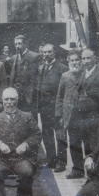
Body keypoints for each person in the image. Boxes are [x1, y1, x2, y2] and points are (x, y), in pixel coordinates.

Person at [67, 48, 99, 178]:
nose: (86, 61)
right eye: (83, 58)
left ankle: (92, 172)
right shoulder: (82, 72)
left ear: (95, 58)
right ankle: (77, 169)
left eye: (88, 58)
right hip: (78, 115)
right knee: (75, 142)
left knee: (91, 144)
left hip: (92, 115)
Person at [33, 43, 68, 172]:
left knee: (60, 134)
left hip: (56, 107)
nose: (46, 55)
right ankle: (51, 160)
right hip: (44, 108)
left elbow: (64, 91)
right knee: (47, 134)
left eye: (49, 52)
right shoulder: (41, 67)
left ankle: (61, 162)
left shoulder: (62, 68)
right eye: (44, 52)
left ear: (54, 53)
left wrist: (61, 109)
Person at [55, 51, 83, 175]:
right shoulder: (65, 76)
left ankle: (83, 169)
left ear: (80, 61)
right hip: (69, 114)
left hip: (82, 113)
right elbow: (60, 96)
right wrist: (59, 114)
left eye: (77, 60)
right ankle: (69, 166)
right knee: (68, 140)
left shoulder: (85, 74)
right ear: (68, 62)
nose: (75, 63)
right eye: (72, 60)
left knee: (80, 142)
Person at [7, 34, 40, 109]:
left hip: (28, 94)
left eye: (19, 43)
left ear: (25, 44)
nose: (17, 46)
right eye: (15, 44)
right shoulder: (13, 58)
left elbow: (35, 78)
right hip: (16, 93)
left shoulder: (34, 56)